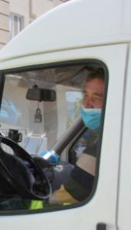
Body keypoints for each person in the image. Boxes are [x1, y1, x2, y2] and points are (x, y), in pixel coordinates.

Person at [50, 69, 105, 204]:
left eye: (97, 97)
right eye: (85, 95)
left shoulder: (100, 150)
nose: (87, 103)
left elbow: (60, 201)